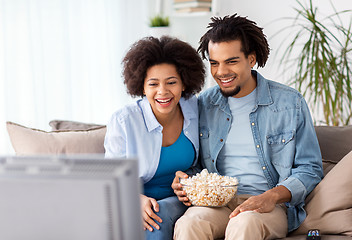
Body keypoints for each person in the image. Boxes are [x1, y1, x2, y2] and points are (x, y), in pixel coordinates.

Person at [172, 14, 323, 240]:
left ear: (251, 59)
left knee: (244, 224)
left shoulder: (289, 103)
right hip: (218, 204)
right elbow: (198, 165)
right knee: (188, 224)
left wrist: (271, 196)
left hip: (270, 207)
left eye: (231, 61)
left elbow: (310, 168)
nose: (221, 72)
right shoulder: (203, 104)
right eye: (214, 63)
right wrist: (186, 181)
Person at [104, 36, 205, 240]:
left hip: (179, 201)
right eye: (153, 84)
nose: (163, 92)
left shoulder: (195, 109)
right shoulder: (124, 121)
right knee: (152, 220)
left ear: (184, 83)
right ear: (142, 87)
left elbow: (203, 162)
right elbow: (110, 179)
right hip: (134, 202)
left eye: (171, 82)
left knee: (157, 217)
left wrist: (189, 180)